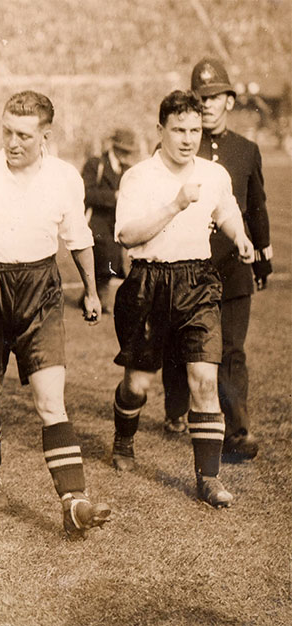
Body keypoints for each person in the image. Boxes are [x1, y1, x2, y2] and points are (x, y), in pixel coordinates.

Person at [0, 91, 111, 540]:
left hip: (40, 289)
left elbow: (78, 237)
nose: (12, 142)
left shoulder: (64, 177)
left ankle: (73, 501)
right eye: (6, 131)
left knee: (49, 400)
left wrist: (93, 292)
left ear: (45, 134)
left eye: (23, 134)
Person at [109, 90, 254, 508]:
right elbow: (128, 235)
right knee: (137, 385)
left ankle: (209, 479)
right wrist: (175, 204)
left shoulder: (214, 173)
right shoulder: (139, 176)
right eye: (178, 130)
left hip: (199, 282)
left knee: (204, 380)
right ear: (161, 130)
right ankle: (123, 439)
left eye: (195, 129)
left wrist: (239, 236)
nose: (188, 138)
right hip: (149, 283)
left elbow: (223, 208)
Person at [161, 59, 273, 461]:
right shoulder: (174, 148)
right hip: (188, 266)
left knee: (232, 350)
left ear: (230, 99)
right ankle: (176, 408)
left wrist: (262, 258)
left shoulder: (246, 150)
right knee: (181, 345)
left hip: (232, 267)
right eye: (200, 98)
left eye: (214, 97)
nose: (207, 105)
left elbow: (255, 207)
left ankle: (238, 431)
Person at [81, 128, 138, 310]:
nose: (126, 154)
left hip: (117, 223)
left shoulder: (128, 170)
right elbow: (86, 193)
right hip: (97, 222)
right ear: (114, 147)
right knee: (104, 262)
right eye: (123, 150)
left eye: (128, 151)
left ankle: (92, 295)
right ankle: (97, 298)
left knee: (114, 263)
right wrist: (114, 196)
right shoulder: (96, 164)